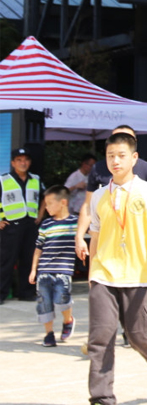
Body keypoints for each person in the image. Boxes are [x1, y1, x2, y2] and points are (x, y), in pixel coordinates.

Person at [87, 130, 147, 403]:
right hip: (103, 275)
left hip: (138, 275)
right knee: (100, 338)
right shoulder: (98, 197)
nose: (115, 161)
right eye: (110, 156)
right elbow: (95, 236)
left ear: (134, 158)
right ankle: (102, 398)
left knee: (141, 337)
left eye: (121, 156)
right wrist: (93, 273)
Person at [75, 125, 147, 265]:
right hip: (106, 239)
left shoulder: (146, 168)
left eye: (126, 138)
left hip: (136, 243)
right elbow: (88, 204)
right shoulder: (99, 168)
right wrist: (79, 236)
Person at [29, 185, 78, 346]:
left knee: (62, 299)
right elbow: (38, 248)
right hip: (44, 270)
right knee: (44, 303)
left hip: (63, 270)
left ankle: (68, 320)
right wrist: (33, 270)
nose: (46, 207)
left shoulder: (75, 223)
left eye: (50, 203)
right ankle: (49, 334)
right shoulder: (46, 225)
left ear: (63, 202)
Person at [1, 147, 42, 302]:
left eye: (25, 160)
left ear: (30, 162)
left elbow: (45, 197)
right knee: (6, 261)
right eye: (19, 160)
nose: (23, 163)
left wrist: (40, 214)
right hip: (10, 225)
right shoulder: (4, 180)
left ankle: (26, 293)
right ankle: (1, 294)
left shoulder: (35, 179)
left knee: (28, 259)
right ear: (13, 163)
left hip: (30, 225)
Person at [64, 154, 96, 218]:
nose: (91, 168)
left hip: (86, 209)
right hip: (74, 210)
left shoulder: (90, 176)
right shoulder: (74, 176)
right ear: (84, 164)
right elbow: (64, 191)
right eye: (90, 165)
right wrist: (76, 186)